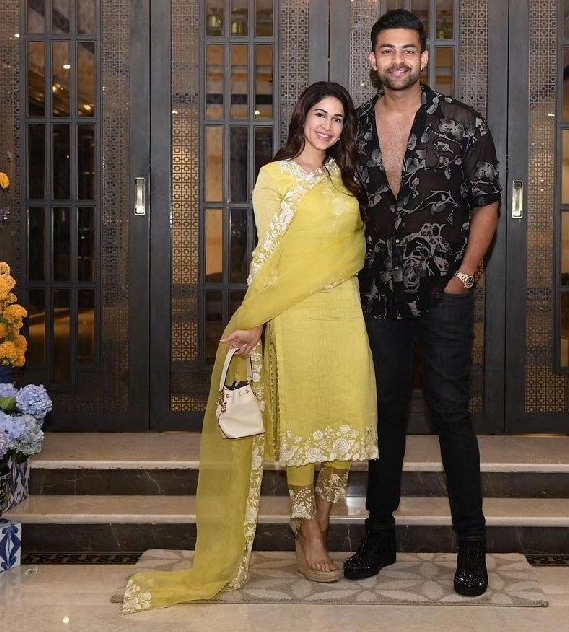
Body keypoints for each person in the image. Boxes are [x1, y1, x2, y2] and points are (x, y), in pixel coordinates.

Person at [122, 82, 378, 613]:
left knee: (344, 414)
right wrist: (257, 319)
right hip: (295, 312)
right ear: (302, 118)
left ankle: (321, 519)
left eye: (337, 119)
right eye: (320, 115)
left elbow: (357, 247)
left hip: (344, 309)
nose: (327, 126)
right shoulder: (275, 176)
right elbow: (269, 254)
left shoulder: (345, 178)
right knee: (304, 418)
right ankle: (308, 530)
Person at [343, 10, 501, 598]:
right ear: (373, 60)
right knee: (383, 414)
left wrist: (465, 276)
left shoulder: (463, 122)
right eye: (387, 50)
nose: (398, 60)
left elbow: (486, 202)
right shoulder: (354, 128)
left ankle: (472, 545)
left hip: (444, 294)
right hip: (377, 293)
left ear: (424, 58)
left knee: (450, 412)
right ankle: (379, 536)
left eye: (408, 50)